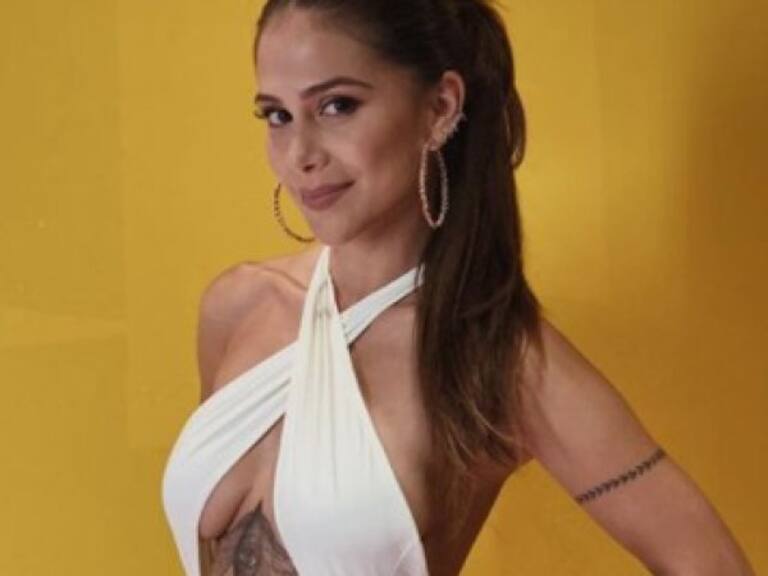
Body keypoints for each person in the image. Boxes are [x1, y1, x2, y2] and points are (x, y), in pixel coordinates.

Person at [162, 1, 755, 574]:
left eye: (337, 106)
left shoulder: (497, 359)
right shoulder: (238, 306)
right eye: (276, 115)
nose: (299, 155)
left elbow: (710, 564)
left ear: (440, 107)